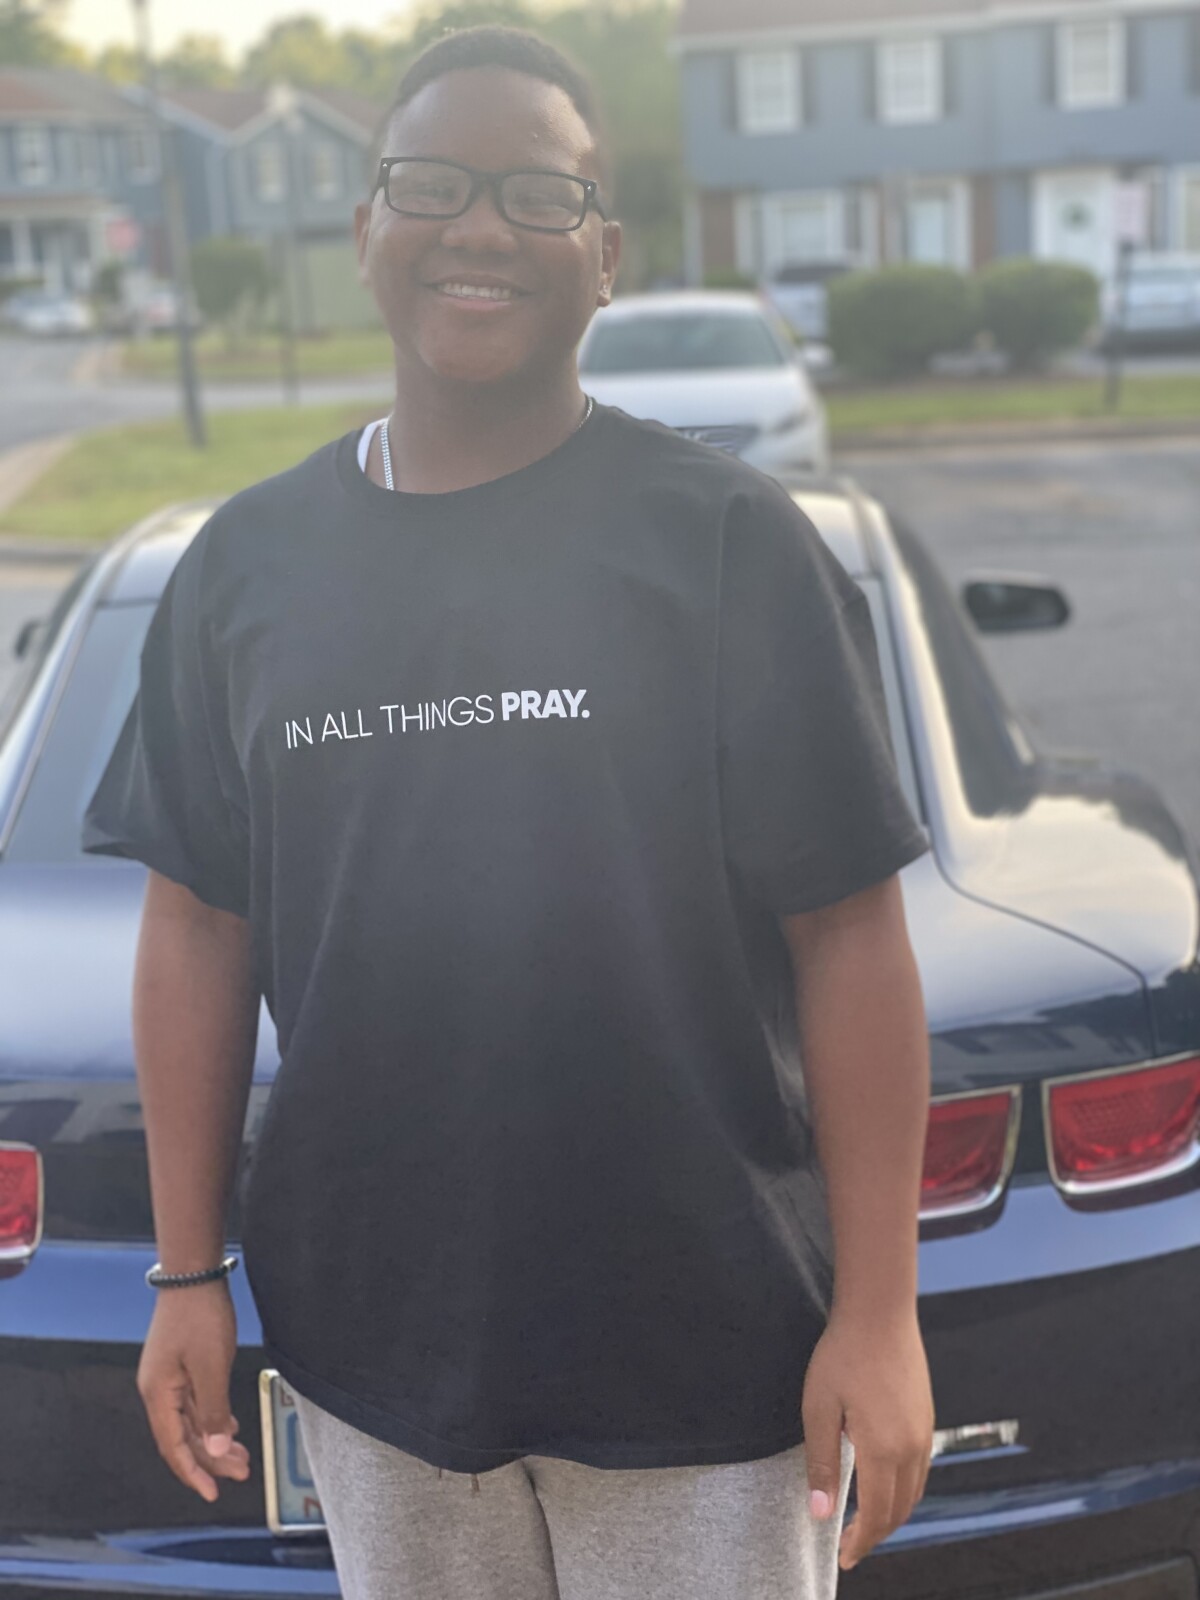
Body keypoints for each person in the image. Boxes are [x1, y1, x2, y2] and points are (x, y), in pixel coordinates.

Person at [83, 25, 936, 1600]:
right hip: (379, 1355)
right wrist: (186, 1272)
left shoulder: (728, 545)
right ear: (366, 231)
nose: (479, 226)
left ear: (605, 257)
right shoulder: (242, 570)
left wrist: (880, 1315)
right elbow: (197, 919)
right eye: (433, 183)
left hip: (707, 1351)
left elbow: (851, 935)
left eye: (540, 194)